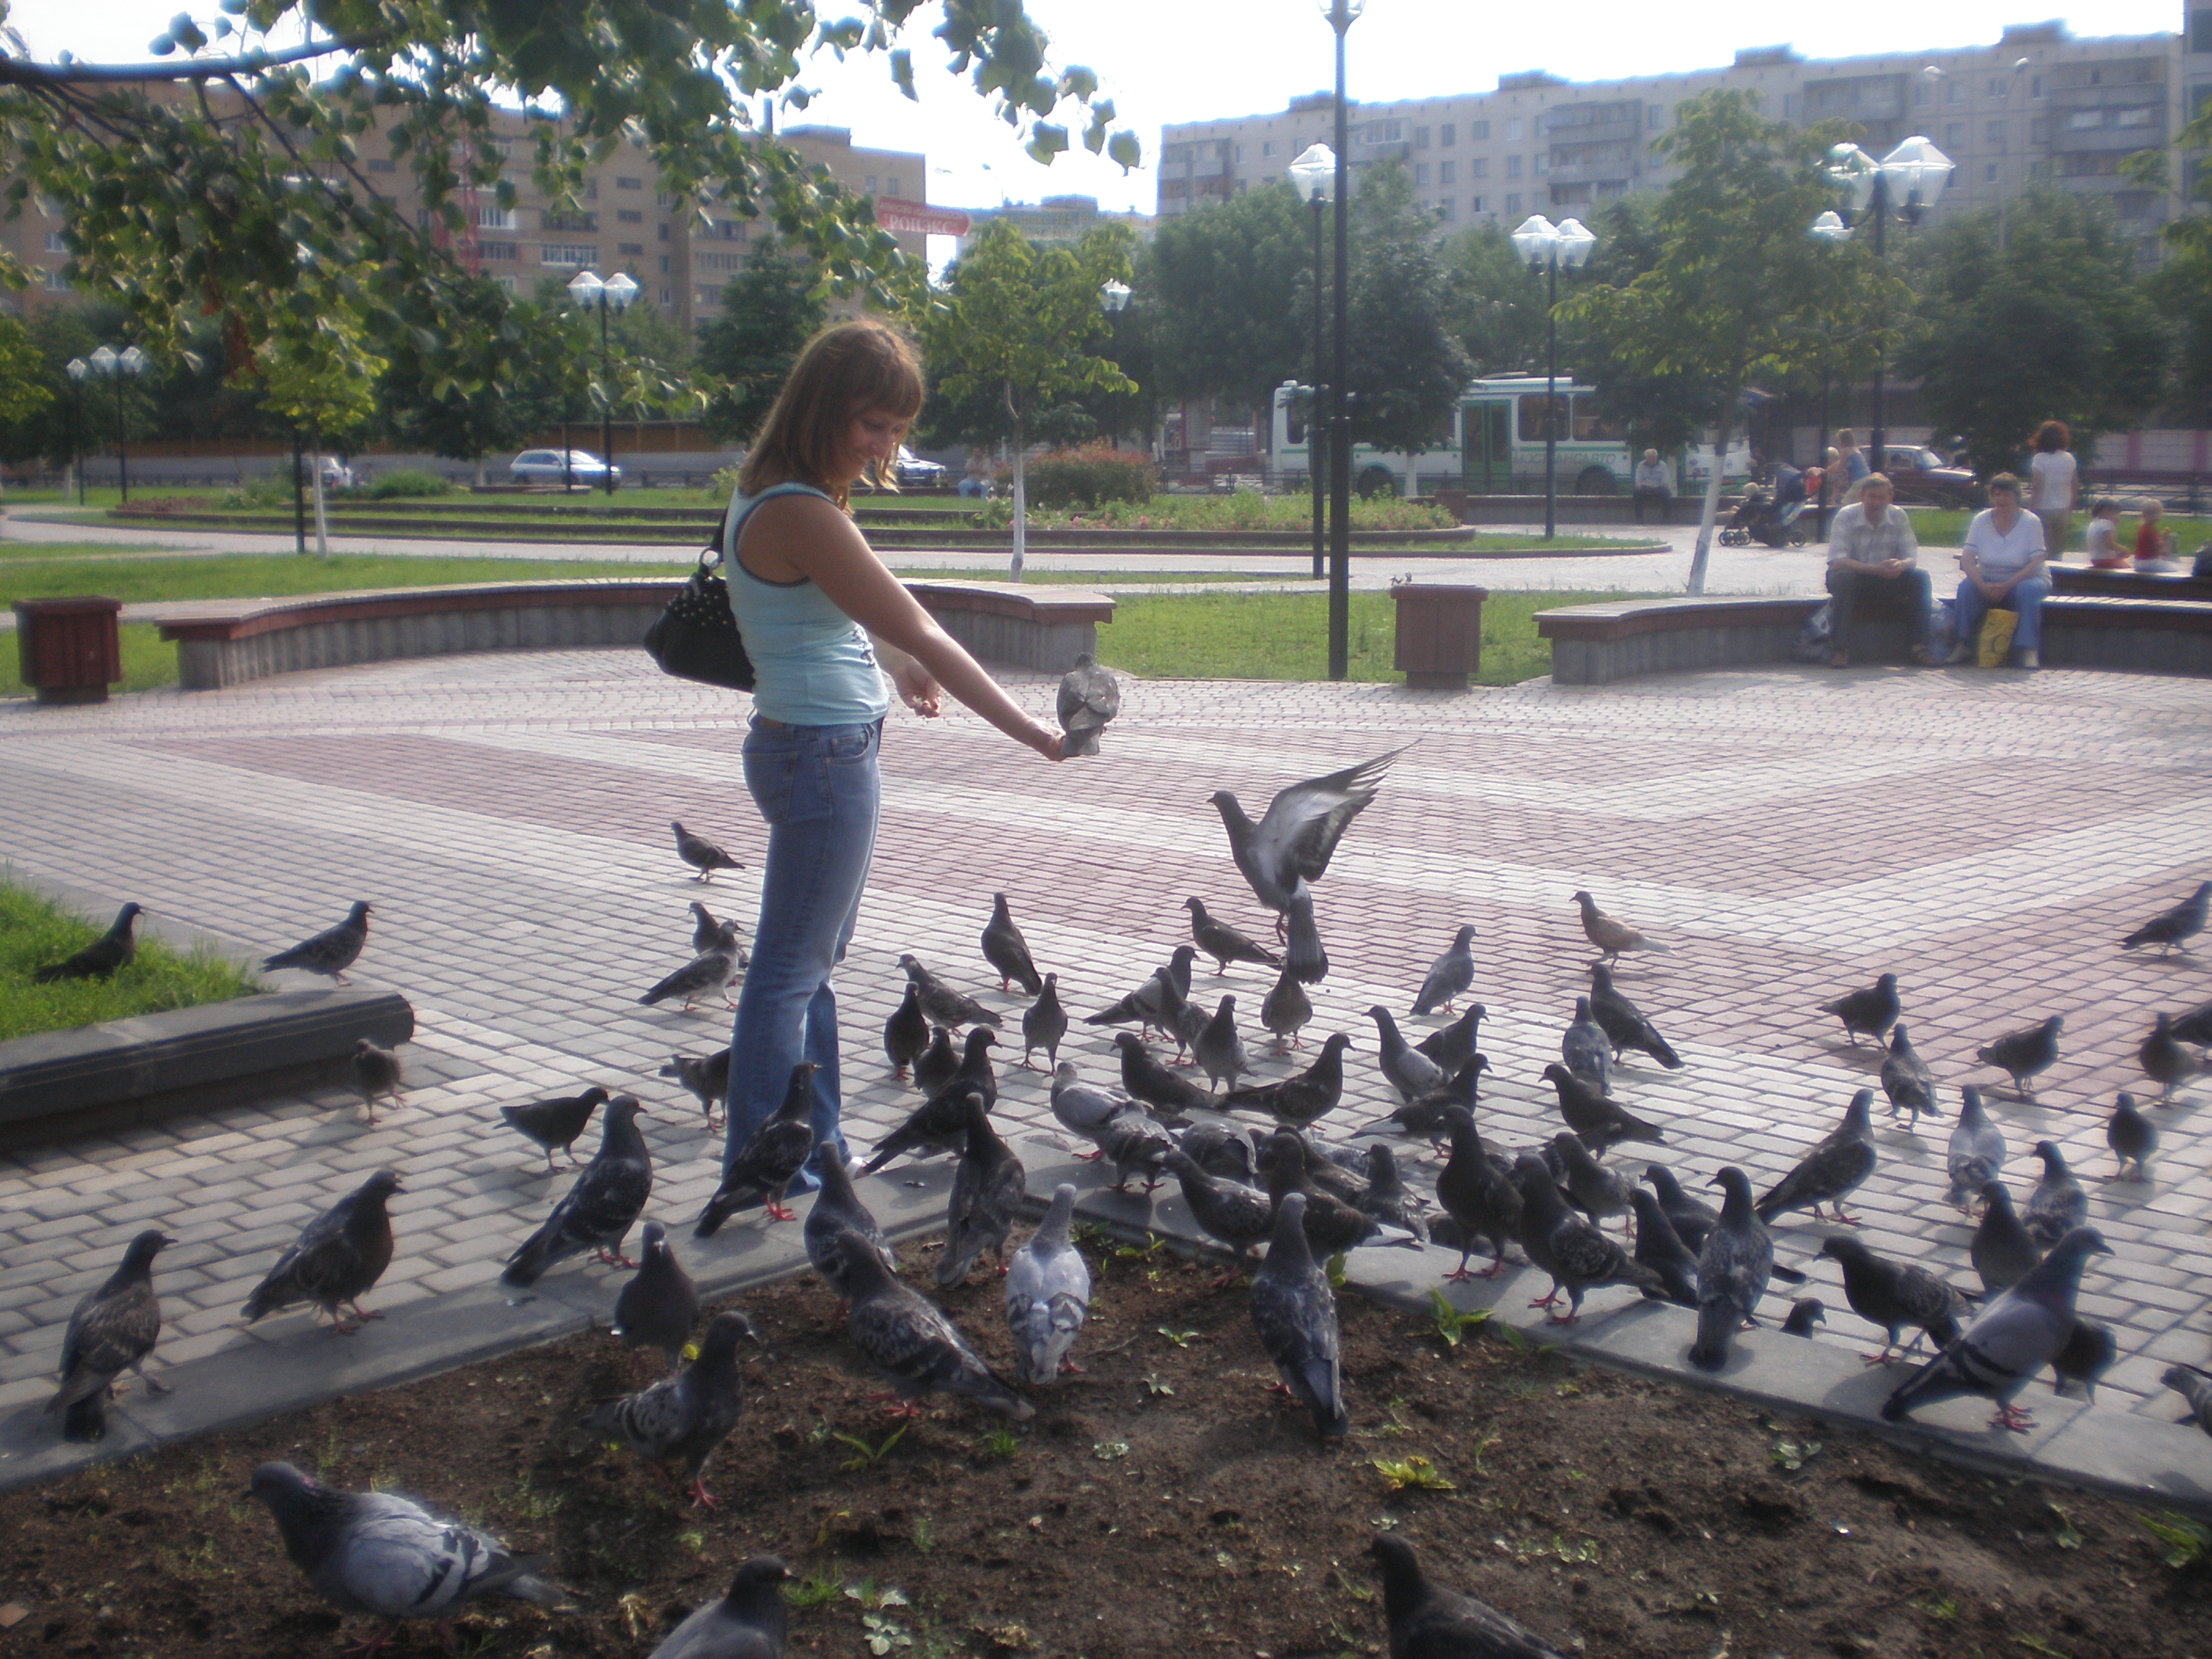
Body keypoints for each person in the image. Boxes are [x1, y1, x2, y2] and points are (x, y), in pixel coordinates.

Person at [717, 320, 1064, 1195]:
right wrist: (1025, 728)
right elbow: (922, 623)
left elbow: (826, 616)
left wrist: (895, 664)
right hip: (821, 756)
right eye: (872, 423)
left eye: (898, 429)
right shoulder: (801, 509)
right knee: (787, 976)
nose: (884, 445)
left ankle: (814, 1147)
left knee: (806, 968)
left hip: (809, 745)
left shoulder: (777, 495)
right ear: (821, 408)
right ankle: (766, 1172)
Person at [1822, 473, 1930, 668]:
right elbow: (1837, 561)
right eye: (1872, 497)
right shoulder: (1846, 516)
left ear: (1890, 498)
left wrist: (1900, 565)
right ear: (1862, 496)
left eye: (1882, 497)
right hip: (1854, 576)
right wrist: (1874, 569)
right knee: (1844, 579)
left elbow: (1911, 557)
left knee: (1920, 578)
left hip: (1886, 578)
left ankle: (1919, 647)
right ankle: (1840, 650)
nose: (1877, 502)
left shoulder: (1899, 516)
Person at [1947, 472, 2050, 669]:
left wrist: (2006, 586)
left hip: (2026, 578)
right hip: (1988, 578)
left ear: (2016, 497)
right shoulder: (1981, 520)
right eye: (1997, 495)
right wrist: (1982, 586)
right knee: (1966, 588)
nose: (2001, 499)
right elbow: (1967, 559)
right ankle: (1963, 645)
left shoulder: (2031, 522)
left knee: (2027, 591)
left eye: (2006, 495)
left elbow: (2036, 562)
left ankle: (2028, 650)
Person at [2029, 420, 2076, 557]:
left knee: (2042, 549)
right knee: (2057, 550)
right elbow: (2074, 485)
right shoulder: (2069, 458)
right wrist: (2070, 507)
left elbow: (2037, 487)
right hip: (2063, 509)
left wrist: (2031, 509)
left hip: (2043, 509)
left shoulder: (2039, 459)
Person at [2133, 498, 2180, 572]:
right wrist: (2166, 540)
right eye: (2156, 514)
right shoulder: (2150, 530)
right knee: (2175, 569)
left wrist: (2162, 537)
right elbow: (2157, 548)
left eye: (2159, 513)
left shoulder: (2145, 528)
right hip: (2149, 562)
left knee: (2172, 565)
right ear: (2146, 515)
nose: (2158, 516)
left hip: (2140, 562)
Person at [1632, 448, 1673, 524]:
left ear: (1656, 457)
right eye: (1649, 458)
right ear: (1646, 458)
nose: (1651, 460)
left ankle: (1666, 518)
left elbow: (1665, 480)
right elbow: (1638, 480)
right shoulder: (1641, 465)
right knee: (1636, 492)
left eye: (1653, 458)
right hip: (1646, 488)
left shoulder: (1662, 465)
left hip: (1658, 488)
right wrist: (1639, 485)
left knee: (1667, 493)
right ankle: (1639, 518)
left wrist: (1663, 485)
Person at [2082, 498, 2123, 568]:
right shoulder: (2107, 524)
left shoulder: (2094, 523)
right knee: (2129, 571)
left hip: (2094, 558)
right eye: (2115, 512)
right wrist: (2123, 550)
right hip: (2107, 559)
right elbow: (2110, 544)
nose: (2117, 516)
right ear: (2106, 510)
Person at [1834, 428, 1870, 507]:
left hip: (1859, 481)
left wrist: (1826, 471)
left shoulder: (1846, 451)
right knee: (1858, 503)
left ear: (1843, 440)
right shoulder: (1855, 449)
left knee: (1846, 504)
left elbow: (1838, 469)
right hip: (1867, 478)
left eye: (1839, 439)